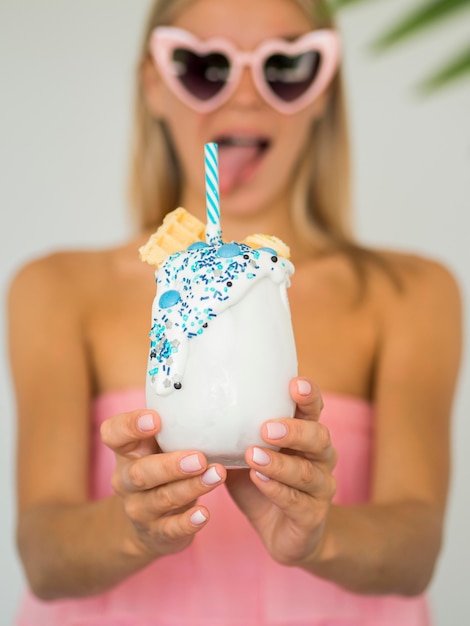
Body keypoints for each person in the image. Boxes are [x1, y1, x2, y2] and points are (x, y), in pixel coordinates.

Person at [8, 0, 462, 624]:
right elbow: (42, 556)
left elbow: (416, 549)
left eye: (285, 67)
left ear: (324, 91)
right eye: (203, 66)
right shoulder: (55, 288)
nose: (245, 97)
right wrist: (132, 529)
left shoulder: (412, 292)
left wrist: (321, 536)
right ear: (154, 86)